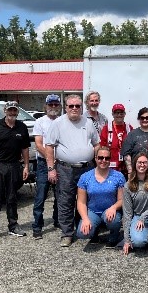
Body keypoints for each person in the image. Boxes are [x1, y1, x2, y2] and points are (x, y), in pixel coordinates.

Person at [45, 94, 100, 247]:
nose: (74, 108)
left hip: (87, 168)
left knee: (87, 200)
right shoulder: (57, 123)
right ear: (66, 107)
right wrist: (51, 169)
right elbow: (49, 146)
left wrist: (98, 164)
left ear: (82, 107)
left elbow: (96, 144)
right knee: (65, 201)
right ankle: (67, 234)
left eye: (77, 106)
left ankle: (85, 229)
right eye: (71, 106)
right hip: (65, 169)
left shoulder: (88, 123)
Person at [0, 101, 30, 241]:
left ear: (17, 112)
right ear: (5, 111)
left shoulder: (21, 127)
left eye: (14, 110)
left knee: (12, 198)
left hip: (14, 166)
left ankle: (13, 226)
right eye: (10, 110)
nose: (12, 112)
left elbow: (25, 149)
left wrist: (26, 166)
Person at [76, 147, 125, 247]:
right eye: (100, 158)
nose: (103, 161)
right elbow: (81, 202)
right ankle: (94, 233)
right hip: (92, 211)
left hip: (110, 211)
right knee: (82, 233)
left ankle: (114, 235)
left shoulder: (118, 176)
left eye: (107, 158)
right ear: (95, 158)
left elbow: (122, 199)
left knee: (114, 221)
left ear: (110, 159)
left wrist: (114, 208)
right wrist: (85, 218)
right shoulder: (85, 177)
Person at [31, 94, 61, 239]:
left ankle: (57, 221)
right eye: (51, 105)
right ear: (46, 106)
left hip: (60, 163)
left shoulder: (63, 121)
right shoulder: (40, 122)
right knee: (41, 196)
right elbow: (38, 144)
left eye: (56, 105)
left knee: (59, 196)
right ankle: (37, 226)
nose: (53, 107)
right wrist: (51, 160)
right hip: (43, 164)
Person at [121, 107, 148, 175]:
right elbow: (126, 154)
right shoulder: (132, 134)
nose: (145, 120)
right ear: (139, 119)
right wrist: (130, 171)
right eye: (142, 118)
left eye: (147, 117)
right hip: (137, 175)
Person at [99, 103, 134, 178]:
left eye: (121, 113)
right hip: (111, 167)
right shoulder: (106, 129)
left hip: (126, 167)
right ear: (112, 114)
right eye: (116, 113)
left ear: (124, 114)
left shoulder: (129, 128)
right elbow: (102, 147)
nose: (119, 115)